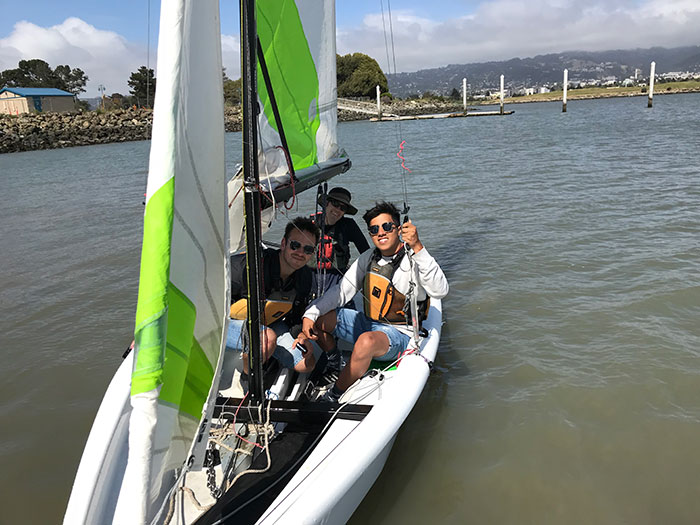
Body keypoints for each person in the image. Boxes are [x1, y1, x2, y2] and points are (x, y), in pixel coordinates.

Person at [300, 201, 449, 401]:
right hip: (368, 323)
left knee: (366, 341)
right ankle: (335, 360)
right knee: (319, 319)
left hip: (400, 334)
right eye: (374, 229)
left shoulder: (414, 258)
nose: (381, 233)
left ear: (398, 229)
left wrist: (418, 247)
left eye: (387, 227)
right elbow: (341, 292)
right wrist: (310, 314)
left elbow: (440, 290)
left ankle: (334, 394)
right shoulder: (367, 258)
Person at [226, 216, 333, 374]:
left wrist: (301, 334)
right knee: (266, 339)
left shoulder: (304, 277)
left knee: (306, 363)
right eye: (295, 245)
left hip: (269, 322)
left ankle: (267, 355)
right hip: (227, 324)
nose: (300, 253)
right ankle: (249, 376)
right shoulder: (245, 268)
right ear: (283, 244)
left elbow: (296, 316)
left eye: (308, 249)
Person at [311, 187, 370, 295]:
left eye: (342, 208)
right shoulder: (310, 223)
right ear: (326, 203)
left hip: (338, 278)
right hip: (310, 277)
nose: (337, 210)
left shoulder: (349, 225)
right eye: (335, 203)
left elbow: (366, 252)